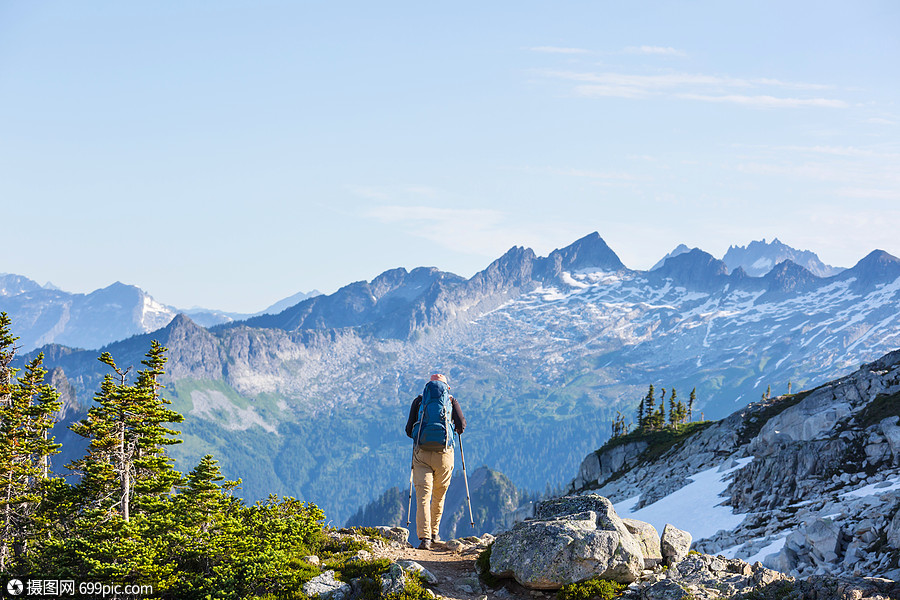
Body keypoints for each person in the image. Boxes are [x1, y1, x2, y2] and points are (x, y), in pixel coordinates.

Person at [405, 373, 466, 550]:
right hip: (444, 455)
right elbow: (461, 426)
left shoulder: (419, 401)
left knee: (423, 496)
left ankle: (424, 539)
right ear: (446, 387)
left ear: (428, 386)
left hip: (421, 454)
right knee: (438, 495)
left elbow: (409, 430)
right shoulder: (452, 401)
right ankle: (434, 533)